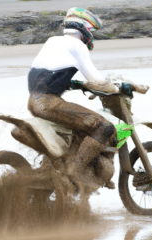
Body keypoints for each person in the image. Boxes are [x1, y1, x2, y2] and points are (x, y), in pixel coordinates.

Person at [27, 7, 124, 180]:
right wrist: (117, 88)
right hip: (49, 103)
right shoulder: (77, 46)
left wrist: (78, 84)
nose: (91, 35)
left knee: (80, 128)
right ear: (85, 28)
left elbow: (49, 75)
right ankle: (73, 173)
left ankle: (70, 167)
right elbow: (98, 81)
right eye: (92, 31)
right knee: (105, 127)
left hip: (34, 101)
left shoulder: (52, 41)